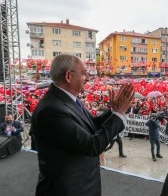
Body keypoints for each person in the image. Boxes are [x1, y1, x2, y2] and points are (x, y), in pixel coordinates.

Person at [30, 54, 134, 196]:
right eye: (84, 73)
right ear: (68, 76)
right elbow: (92, 145)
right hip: (67, 190)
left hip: (81, 185)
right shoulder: (51, 110)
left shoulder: (66, 100)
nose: (89, 78)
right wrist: (118, 115)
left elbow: (91, 125)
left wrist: (113, 111)